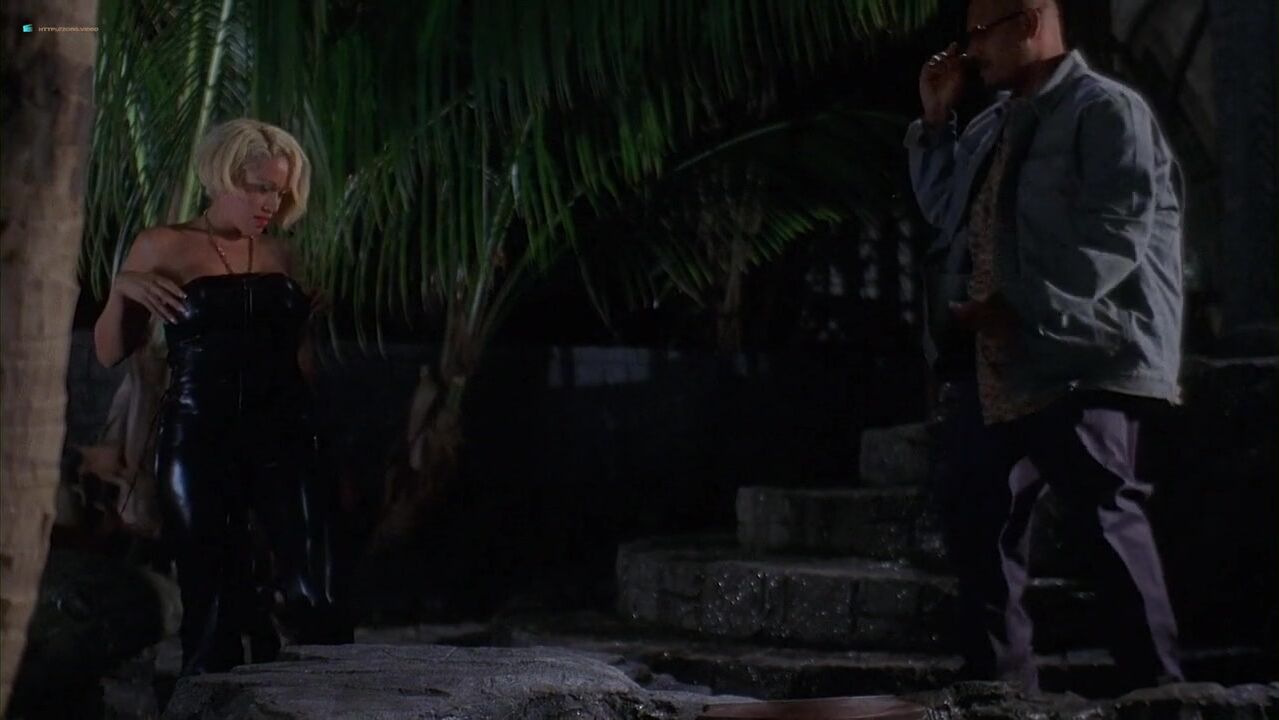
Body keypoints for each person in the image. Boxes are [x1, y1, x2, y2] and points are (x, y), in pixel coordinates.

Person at [904, 0, 1186, 693]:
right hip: (996, 359)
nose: (969, 51)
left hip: (1083, 355)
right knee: (976, 519)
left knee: (1104, 523)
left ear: (1029, 24)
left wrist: (1023, 305)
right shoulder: (990, 124)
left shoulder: (1105, 110)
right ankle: (1000, 692)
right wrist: (936, 124)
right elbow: (945, 212)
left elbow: (1115, 233)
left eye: (981, 33)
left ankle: (1162, 694)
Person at [93, 118, 350, 675]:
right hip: (199, 436)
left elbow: (303, 361)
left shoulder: (283, 255)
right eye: (260, 188)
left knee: (318, 594)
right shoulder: (163, 244)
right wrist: (123, 289)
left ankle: (325, 702)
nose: (271, 203)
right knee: (213, 605)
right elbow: (110, 352)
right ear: (222, 177)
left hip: (286, 432)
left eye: (281, 191)